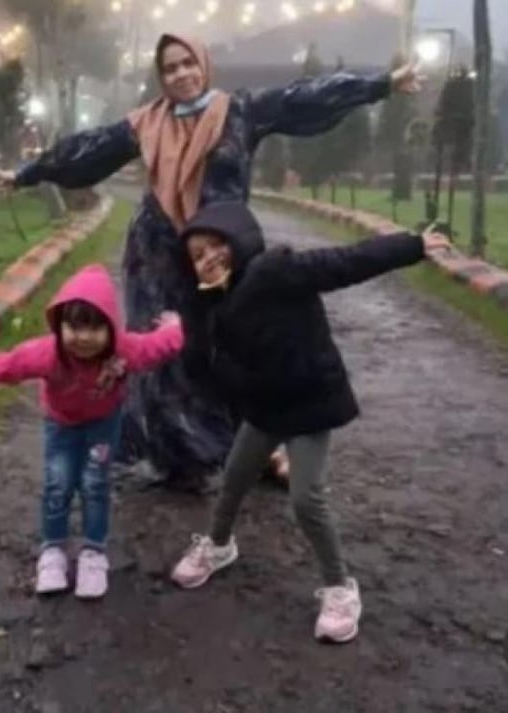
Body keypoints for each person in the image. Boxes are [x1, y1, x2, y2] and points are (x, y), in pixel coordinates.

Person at [0, 33, 423, 493]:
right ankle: (177, 453)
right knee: (162, 351)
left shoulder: (240, 111)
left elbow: (305, 98)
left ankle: (257, 450)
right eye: (170, 69)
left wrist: (382, 84)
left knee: (234, 347)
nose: (180, 75)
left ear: (204, 64)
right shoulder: (146, 122)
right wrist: (26, 174)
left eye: (187, 63)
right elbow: (87, 148)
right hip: (156, 254)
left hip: (220, 253)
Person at [169, 202, 450, 643]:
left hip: (309, 405)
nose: (208, 259)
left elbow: (344, 263)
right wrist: (185, 331)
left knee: (306, 498)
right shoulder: (213, 311)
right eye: (197, 256)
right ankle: (218, 546)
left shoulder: (275, 271)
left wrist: (410, 246)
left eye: (215, 245)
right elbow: (210, 368)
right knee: (235, 477)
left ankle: (340, 588)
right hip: (264, 410)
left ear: (238, 238)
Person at [0, 264, 183, 599]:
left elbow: (162, 344)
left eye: (95, 328)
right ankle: (53, 550)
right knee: (59, 483)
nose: (83, 338)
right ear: (59, 325)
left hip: (102, 424)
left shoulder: (124, 351)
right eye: (74, 327)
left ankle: (93, 553)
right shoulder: (46, 354)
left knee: (95, 484)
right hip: (62, 426)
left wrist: (175, 326)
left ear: (112, 329)